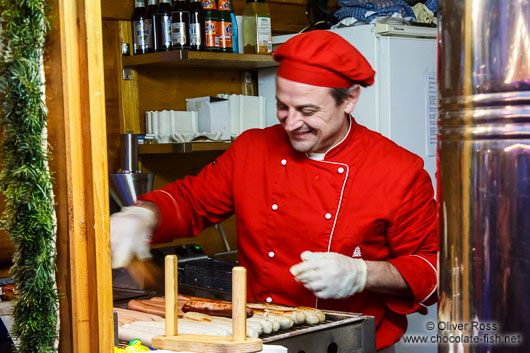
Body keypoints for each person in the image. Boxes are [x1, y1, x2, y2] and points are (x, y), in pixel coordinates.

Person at [110, 30, 438, 352]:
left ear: (349, 99)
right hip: (260, 339)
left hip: (351, 345)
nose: (292, 123)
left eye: (308, 111)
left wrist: (364, 273)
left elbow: (432, 266)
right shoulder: (253, 149)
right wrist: (144, 215)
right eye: (283, 106)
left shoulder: (398, 171)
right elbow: (192, 201)